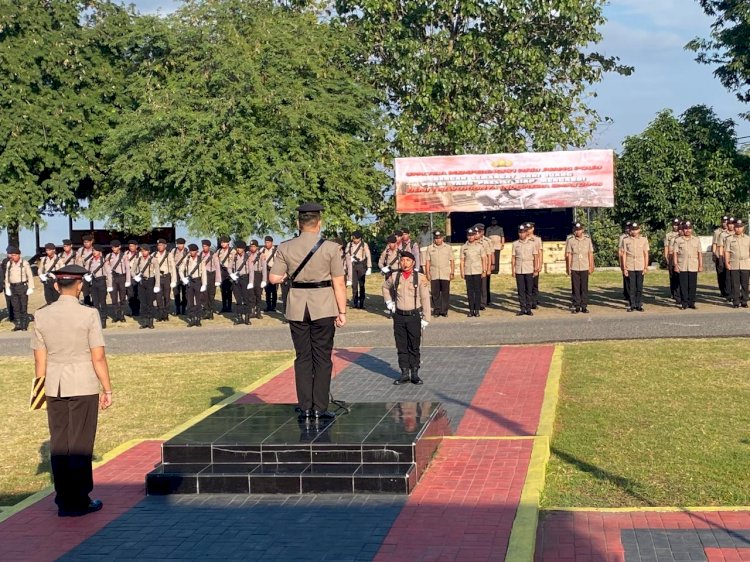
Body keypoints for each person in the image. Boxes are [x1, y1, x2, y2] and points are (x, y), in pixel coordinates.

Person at [32, 264, 113, 517]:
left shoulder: (41, 314)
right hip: (82, 382)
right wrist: (108, 388)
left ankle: (63, 499)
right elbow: (97, 356)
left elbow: (39, 360)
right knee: (80, 443)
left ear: (56, 286)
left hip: (53, 385)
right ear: (80, 286)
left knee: (59, 443)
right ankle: (79, 498)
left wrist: (38, 392)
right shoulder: (89, 314)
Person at [269, 202, 347, 421]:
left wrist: (285, 277)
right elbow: (339, 283)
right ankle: (319, 407)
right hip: (323, 305)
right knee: (322, 357)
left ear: (298, 224)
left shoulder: (285, 247)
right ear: (319, 224)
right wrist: (342, 311)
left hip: (297, 307)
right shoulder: (331, 248)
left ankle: (305, 406)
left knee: (303, 357)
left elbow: (273, 278)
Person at [383, 250, 430, 385]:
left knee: (414, 345)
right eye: (403, 260)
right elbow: (385, 288)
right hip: (399, 316)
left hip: (414, 315)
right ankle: (404, 373)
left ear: (413, 262)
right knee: (401, 345)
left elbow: (425, 298)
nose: (405, 263)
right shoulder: (395, 276)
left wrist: (426, 317)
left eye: (408, 260)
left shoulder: (419, 277)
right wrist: (389, 303)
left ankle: (414, 373)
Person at [565, 222, 595, 314]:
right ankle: (576, 305)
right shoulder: (571, 240)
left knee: (584, 287)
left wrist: (591, 265)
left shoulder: (587, 240)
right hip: (575, 266)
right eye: (575, 230)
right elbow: (569, 254)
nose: (577, 232)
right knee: (576, 287)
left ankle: (584, 306)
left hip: (584, 266)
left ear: (582, 230)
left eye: (579, 230)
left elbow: (590, 253)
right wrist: (568, 267)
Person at [673, 220, 703, 309]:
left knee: (692, 285)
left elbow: (699, 253)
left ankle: (692, 302)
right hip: (682, 265)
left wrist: (701, 265)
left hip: (693, 265)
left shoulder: (696, 240)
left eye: (689, 229)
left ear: (692, 230)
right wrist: (675, 265)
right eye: (685, 229)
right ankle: (684, 303)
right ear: (683, 230)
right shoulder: (678, 240)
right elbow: (675, 253)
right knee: (683, 285)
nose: (687, 230)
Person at [424, 230, 454, 317]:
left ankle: (444, 311)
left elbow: (452, 260)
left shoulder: (448, 248)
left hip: (445, 273)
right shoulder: (430, 248)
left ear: (442, 238)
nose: (438, 240)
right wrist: (427, 273)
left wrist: (452, 272)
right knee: (435, 293)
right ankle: (436, 310)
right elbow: (427, 261)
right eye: (436, 238)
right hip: (434, 273)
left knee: (445, 293)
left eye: (439, 238)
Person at [4, 246, 35, 331]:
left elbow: (30, 275)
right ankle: (17, 324)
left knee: (23, 306)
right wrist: (7, 287)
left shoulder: (24, 263)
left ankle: (24, 325)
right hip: (13, 287)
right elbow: (7, 276)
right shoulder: (9, 263)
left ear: (19, 255)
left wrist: (31, 287)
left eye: (14, 255)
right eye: (12, 255)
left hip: (22, 286)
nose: (12, 257)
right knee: (15, 307)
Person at [622, 222, 649, 312]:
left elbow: (646, 254)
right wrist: (624, 268)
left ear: (639, 230)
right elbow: (624, 254)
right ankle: (632, 304)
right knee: (631, 287)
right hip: (630, 265)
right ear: (630, 230)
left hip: (640, 264)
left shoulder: (644, 240)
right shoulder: (626, 240)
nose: (634, 231)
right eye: (633, 230)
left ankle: (639, 304)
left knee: (639, 286)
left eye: (636, 229)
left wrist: (645, 266)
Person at [131, 244, 161, 329]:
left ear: (149, 251)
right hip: (141, 281)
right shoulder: (138, 260)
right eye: (142, 251)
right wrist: (135, 276)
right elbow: (132, 270)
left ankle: (150, 321)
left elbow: (157, 273)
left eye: (145, 250)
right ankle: (144, 321)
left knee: (150, 302)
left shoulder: (154, 260)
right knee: (143, 302)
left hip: (150, 281)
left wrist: (157, 285)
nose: (143, 252)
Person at [724, 218, 750, 308]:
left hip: (746, 263)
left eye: (740, 227)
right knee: (735, 284)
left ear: (743, 228)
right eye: (736, 227)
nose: (738, 229)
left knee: (745, 283)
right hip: (734, 263)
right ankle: (736, 301)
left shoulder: (748, 238)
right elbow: (727, 251)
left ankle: (744, 301)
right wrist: (727, 263)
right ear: (734, 228)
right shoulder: (729, 239)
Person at [512, 224, 537, 316]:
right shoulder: (515, 244)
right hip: (519, 269)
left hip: (529, 268)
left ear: (526, 233)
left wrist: (535, 269)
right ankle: (522, 308)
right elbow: (513, 258)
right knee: (521, 290)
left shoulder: (532, 243)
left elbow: (535, 256)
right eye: (520, 233)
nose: (521, 234)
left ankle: (529, 308)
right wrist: (513, 270)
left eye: (523, 233)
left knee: (529, 290)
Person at [180, 243, 208, 326]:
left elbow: (204, 272)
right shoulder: (187, 259)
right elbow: (181, 270)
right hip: (189, 281)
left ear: (197, 251)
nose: (191, 252)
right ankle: (192, 319)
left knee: (199, 301)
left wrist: (204, 284)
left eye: (193, 251)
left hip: (198, 281)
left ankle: (198, 319)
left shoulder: (201, 260)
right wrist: (183, 278)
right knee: (190, 301)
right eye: (190, 251)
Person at [461, 227, 486, 317]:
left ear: (474, 236)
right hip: (468, 271)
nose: (470, 237)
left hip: (477, 271)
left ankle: (477, 310)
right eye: (469, 235)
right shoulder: (464, 247)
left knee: (478, 291)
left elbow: (484, 259)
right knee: (470, 291)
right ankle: (471, 310)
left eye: (472, 235)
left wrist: (484, 270)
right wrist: (462, 271)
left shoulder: (479, 246)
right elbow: (462, 260)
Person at [345, 231, 372, 310]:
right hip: (352, 266)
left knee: (362, 285)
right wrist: (350, 257)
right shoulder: (349, 244)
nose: (354, 240)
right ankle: (355, 302)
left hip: (361, 265)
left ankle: (362, 303)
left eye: (356, 238)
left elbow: (368, 255)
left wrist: (369, 267)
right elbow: (346, 253)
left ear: (360, 238)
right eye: (353, 238)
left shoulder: (364, 245)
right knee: (354, 285)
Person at [105, 240, 130, 323]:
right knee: (114, 297)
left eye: (115, 247)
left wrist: (128, 280)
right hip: (113, 278)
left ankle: (122, 315)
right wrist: (109, 281)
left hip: (122, 277)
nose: (113, 248)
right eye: (112, 247)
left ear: (119, 247)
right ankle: (116, 315)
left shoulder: (124, 256)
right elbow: (107, 268)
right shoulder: (108, 256)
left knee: (123, 297)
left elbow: (127, 269)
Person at [84, 245, 109, 328]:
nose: (94, 252)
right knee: (95, 302)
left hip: (101, 281)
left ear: (100, 252)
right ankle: (97, 320)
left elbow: (108, 273)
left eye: (96, 251)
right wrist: (86, 276)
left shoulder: (104, 261)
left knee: (103, 302)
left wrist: (109, 284)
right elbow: (86, 271)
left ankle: (103, 319)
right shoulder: (90, 261)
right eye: (93, 250)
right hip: (93, 282)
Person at [229, 241, 251, 325]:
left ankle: (247, 318)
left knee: (246, 299)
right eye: (237, 248)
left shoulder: (248, 257)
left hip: (245, 278)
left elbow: (251, 270)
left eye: (240, 248)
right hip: (236, 279)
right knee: (238, 299)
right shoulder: (234, 257)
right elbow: (229, 267)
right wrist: (231, 274)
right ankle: (239, 318)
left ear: (244, 249)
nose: (238, 249)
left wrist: (251, 281)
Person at [154, 239, 176, 321]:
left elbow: (173, 268)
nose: (159, 247)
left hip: (167, 277)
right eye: (158, 245)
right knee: (158, 297)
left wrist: (173, 280)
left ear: (165, 246)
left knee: (167, 297)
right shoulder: (154, 254)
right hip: (158, 278)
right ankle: (160, 314)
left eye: (161, 245)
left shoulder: (169, 255)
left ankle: (165, 314)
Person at [200, 240, 221, 319]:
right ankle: (206, 311)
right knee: (204, 294)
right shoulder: (200, 254)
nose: (204, 247)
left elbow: (217, 267)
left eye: (205, 246)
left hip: (211, 275)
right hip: (203, 276)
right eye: (203, 246)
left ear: (209, 246)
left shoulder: (213, 255)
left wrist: (218, 280)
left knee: (211, 295)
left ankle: (211, 312)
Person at [474, 223, 493, 307]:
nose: (477, 233)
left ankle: (484, 301)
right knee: (476, 285)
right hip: (475, 265)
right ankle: (477, 300)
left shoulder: (487, 241)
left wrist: (492, 264)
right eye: (476, 232)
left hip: (485, 264)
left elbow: (491, 253)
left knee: (485, 285)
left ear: (482, 232)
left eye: (479, 231)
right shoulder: (472, 241)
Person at [248, 239, 267, 319]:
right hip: (250, 276)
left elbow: (264, 268)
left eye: (253, 246)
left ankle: (258, 311)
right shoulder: (247, 254)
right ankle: (252, 311)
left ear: (257, 247)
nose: (252, 248)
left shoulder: (261, 255)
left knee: (258, 294)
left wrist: (264, 280)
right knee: (251, 294)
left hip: (258, 275)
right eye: (251, 246)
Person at [170, 238, 189, 317]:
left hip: (184, 273)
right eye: (178, 244)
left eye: (181, 244)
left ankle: (184, 309)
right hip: (175, 273)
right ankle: (177, 309)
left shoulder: (187, 252)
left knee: (185, 292)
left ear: (184, 244)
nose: (179, 245)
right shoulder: (173, 251)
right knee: (176, 292)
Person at [664, 218, 681, 305]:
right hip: (671, 256)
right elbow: (666, 246)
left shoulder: (682, 233)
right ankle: (674, 292)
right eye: (674, 224)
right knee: (672, 276)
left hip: (680, 257)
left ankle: (679, 293)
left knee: (679, 276)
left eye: (677, 224)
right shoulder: (668, 235)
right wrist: (666, 257)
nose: (675, 226)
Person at [526, 222, 543, 309]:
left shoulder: (537, 239)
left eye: (530, 229)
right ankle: (528, 301)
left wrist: (540, 264)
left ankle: (534, 301)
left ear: (533, 229)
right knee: (527, 284)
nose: (528, 231)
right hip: (526, 264)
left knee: (534, 284)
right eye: (527, 229)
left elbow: (540, 252)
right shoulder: (524, 239)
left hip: (534, 263)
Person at [713, 216, 730, 299]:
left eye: (727, 221)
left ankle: (728, 292)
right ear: (721, 222)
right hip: (720, 255)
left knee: (729, 275)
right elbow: (715, 244)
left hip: (729, 256)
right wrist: (715, 255)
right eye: (724, 221)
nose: (725, 223)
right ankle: (723, 291)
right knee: (721, 274)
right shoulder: (717, 232)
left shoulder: (732, 231)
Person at [260, 236, 278, 312]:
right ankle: (268, 305)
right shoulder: (262, 250)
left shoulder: (276, 250)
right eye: (265, 242)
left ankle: (273, 306)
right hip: (265, 271)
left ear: (271, 242)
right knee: (267, 289)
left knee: (274, 290)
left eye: (268, 242)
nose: (266, 244)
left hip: (274, 270)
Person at [76, 235, 95, 306]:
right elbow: (78, 262)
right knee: (85, 290)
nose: (85, 244)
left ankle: (94, 303)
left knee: (93, 289)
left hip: (93, 272)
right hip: (84, 273)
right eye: (84, 242)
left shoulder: (95, 249)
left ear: (91, 242)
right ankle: (87, 302)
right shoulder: (80, 250)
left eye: (87, 242)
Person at [217, 236, 234, 313]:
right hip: (222, 271)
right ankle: (224, 307)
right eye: (221, 242)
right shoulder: (219, 251)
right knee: (223, 290)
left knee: (229, 290)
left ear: (228, 243)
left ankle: (229, 307)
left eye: (224, 242)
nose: (222, 244)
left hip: (230, 271)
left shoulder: (232, 251)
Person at [720, 217, 736, 299]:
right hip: (726, 258)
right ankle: (728, 294)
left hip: (736, 259)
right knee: (728, 277)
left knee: (735, 278)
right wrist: (721, 258)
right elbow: (721, 247)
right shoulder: (723, 234)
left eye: (732, 224)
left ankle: (735, 294)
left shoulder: (737, 234)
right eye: (729, 224)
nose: (731, 226)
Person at [125, 240, 140, 317]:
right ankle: (133, 311)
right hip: (129, 276)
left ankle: (137, 310)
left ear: (136, 246)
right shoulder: (126, 254)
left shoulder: (140, 254)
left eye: (132, 246)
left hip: (137, 276)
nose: (131, 247)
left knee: (137, 294)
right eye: (130, 246)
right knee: (130, 294)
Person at [618, 222, 632, 302]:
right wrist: (621, 262)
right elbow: (620, 250)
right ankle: (627, 294)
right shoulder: (622, 237)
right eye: (627, 227)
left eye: (629, 227)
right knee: (626, 278)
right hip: (625, 259)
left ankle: (632, 294)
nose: (628, 229)